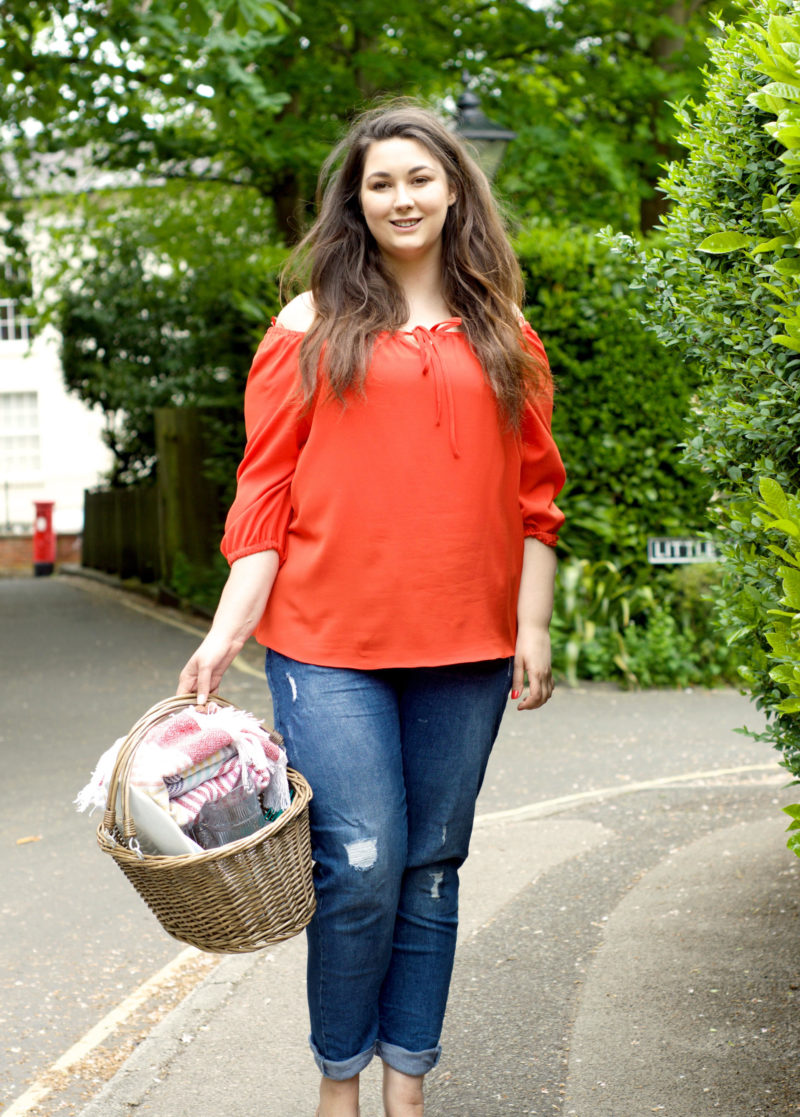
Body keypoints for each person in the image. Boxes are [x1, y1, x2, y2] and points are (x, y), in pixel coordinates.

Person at [178, 100, 565, 1117]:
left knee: (432, 867)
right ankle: (336, 1080)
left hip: (468, 648)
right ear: (355, 199)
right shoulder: (307, 326)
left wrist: (531, 625)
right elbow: (264, 494)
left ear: (452, 191)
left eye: (419, 178)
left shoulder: (506, 335)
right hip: (326, 645)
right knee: (357, 866)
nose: (401, 197)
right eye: (379, 181)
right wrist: (224, 633)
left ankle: (408, 1085)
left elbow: (537, 500)